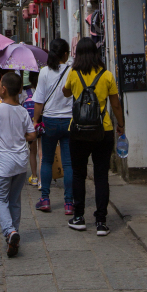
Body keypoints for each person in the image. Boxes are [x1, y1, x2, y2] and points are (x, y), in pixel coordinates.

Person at [63, 37, 125, 235]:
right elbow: (115, 104)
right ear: (96, 53)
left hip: (78, 131)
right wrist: (121, 125)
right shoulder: (106, 75)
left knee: (79, 174)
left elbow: (65, 93)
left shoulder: (73, 73)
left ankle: (79, 217)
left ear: (78, 54)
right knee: (101, 176)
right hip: (103, 131)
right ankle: (101, 222)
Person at [0, 71, 36, 257]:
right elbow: (32, 135)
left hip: (3, 163)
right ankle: (14, 236)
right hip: (21, 163)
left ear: (3, 90)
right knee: (14, 200)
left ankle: (10, 231)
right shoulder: (22, 111)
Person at [33, 37, 74, 214]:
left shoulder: (44, 72)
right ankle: (69, 203)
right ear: (65, 54)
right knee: (68, 164)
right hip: (69, 121)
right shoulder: (72, 70)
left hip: (49, 121)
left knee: (47, 160)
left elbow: (39, 101)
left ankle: (45, 199)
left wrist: (35, 121)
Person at [21, 73, 39, 186]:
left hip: (29, 126)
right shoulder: (40, 91)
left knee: (32, 152)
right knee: (41, 153)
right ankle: (42, 180)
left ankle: (34, 176)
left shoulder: (23, 93)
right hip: (40, 124)